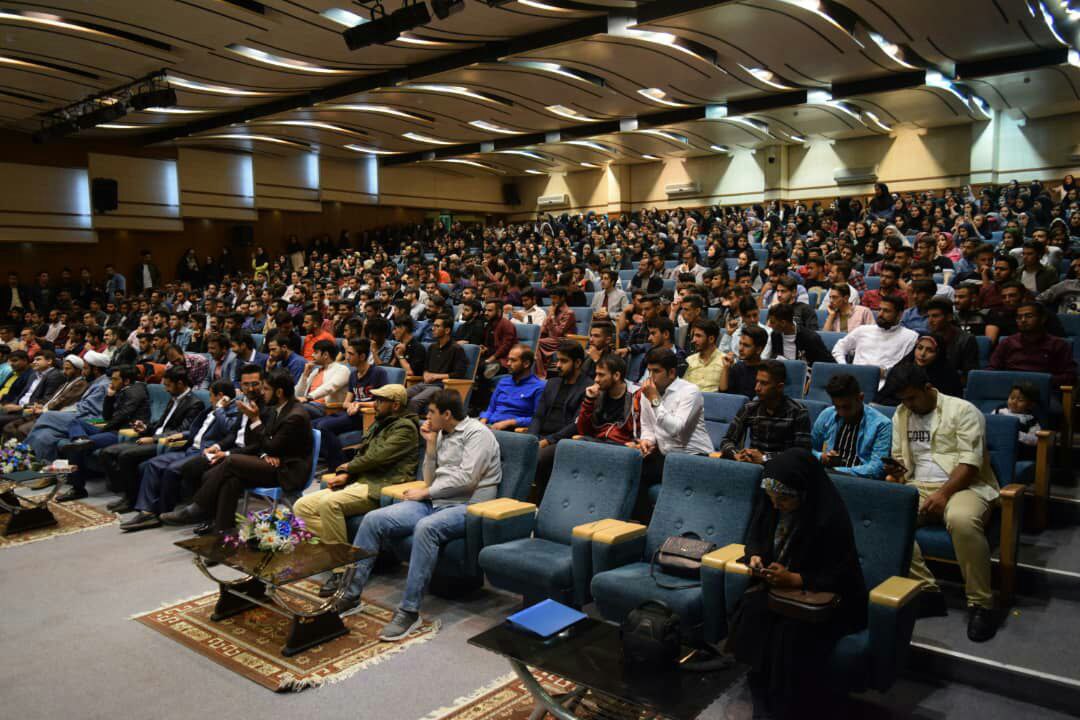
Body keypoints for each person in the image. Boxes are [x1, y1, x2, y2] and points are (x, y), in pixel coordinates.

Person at [334, 390, 502, 641]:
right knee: (373, 520)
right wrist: (431, 446)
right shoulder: (441, 433)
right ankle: (350, 594)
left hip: (469, 506)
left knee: (426, 527)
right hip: (436, 500)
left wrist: (427, 493)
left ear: (446, 414)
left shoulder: (478, 434)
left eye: (432, 412)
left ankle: (409, 611)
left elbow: (468, 480)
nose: (427, 417)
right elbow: (430, 478)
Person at [725, 449, 866, 716]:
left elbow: (842, 574)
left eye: (784, 500)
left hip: (823, 596)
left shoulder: (829, 517)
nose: (776, 505)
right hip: (779, 590)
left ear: (803, 493)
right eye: (772, 498)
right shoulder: (771, 502)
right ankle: (761, 694)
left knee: (786, 634)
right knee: (753, 608)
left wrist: (796, 578)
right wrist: (755, 556)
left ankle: (785, 707)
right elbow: (756, 535)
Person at [886, 364, 1001, 642]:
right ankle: (926, 590)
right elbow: (900, 458)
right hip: (918, 487)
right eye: (903, 400)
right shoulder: (901, 414)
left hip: (965, 486)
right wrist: (896, 476)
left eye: (912, 398)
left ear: (928, 388)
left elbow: (970, 464)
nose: (908, 405)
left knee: (962, 520)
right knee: (885, 518)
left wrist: (942, 494)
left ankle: (981, 604)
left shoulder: (963, 411)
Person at [295, 384, 421, 596]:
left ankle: (341, 569)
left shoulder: (405, 428)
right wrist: (349, 474)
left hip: (384, 485)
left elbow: (378, 457)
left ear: (396, 405)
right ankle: (351, 554)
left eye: (381, 401)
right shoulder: (380, 423)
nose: (375, 404)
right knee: (302, 507)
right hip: (362, 480)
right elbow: (364, 455)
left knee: (329, 503)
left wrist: (347, 467)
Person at [161, 369, 313, 533]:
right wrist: (267, 452)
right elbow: (269, 441)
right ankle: (223, 532)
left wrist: (255, 421)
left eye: (266, 389)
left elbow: (270, 444)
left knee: (231, 461)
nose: (263, 392)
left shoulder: (294, 415)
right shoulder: (281, 407)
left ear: (279, 392)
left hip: (288, 471)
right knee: (231, 479)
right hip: (273, 460)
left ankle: (198, 509)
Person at [120, 380, 239, 532]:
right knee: (153, 463)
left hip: (205, 452)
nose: (209, 399)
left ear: (221, 396)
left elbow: (229, 432)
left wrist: (221, 410)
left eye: (211, 395)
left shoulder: (234, 412)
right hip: (190, 448)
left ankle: (163, 512)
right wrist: (180, 434)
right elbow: (198, 430)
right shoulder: (212, 409)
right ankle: (147, 511)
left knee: (172, 469)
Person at [96, 366, 204, 512]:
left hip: (166, 443)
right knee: (108, 452)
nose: (165, 389)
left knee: (125, 456)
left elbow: (181, 431)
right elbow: (162, 424)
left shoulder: (195, 403)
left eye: (168, 385)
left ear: (180, 383)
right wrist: (145, 428)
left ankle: (131, 499)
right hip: (153, 437)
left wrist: (153, 439)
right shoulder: (174, 399)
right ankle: (128, 496)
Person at [634, 348, 713, 512]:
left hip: (693, 458)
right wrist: (647, 441)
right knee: (631, 468)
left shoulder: (690, 392)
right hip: (666, 456)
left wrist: (655, 400)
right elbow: (648, 427)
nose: (651, 377)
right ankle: (639, 525)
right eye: (649, 371)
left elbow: (676, 429)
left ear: (671, 373)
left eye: (656, 371)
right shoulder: (647, 394)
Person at [313, 337, 389, 469]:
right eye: (347, 353)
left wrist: (359, 405)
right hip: (351, 413)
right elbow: (346, 402)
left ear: (362, 356)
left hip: (367, 417)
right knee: (312, 424)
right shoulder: (353, 375)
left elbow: (383, 402)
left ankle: (339, 466)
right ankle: (334, 461)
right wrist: (351, 405)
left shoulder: (378, 372)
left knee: (324, 426)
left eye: (351, 354)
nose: (347, 357)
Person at [527, 341, 590, 499]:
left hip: (563, 440)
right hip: (540, 437)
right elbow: (538, 416)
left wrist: (548, 441)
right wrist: (532, 438)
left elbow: (576, 424)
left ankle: (538, 501)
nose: (558, 365)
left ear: (577, 363)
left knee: (538, 458)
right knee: (514, 449)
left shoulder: (587, 387)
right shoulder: (552, 383)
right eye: (558, 360)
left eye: (564, 361)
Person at [26, 350, 111, 462]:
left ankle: (23, 452)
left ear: (95, 370)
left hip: (92, 420)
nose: (83, 372)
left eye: (85, 368)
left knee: (48, 416)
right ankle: (45, 469)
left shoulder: (102, 385)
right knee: (43, 435)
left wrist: (64, 412)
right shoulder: (95, 383)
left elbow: (88, 409)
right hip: (80, 415)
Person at [719, 360, 811, 462]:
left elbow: (802, 453)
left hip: (783, 469)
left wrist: (765, 458)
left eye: (764, 383)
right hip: (752, 466)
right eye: (757, 381)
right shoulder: (749, 408)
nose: (757, 388)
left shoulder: (798, 412)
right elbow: (727, 440)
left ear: (779, 387)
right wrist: (736, 455)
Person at [810, 373, 892, 478]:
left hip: (861, 482)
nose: (841, 413)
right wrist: (821, 457)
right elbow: (808, 448)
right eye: (837, 407)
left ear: (861, 398)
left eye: (846, 407)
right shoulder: (827, 414)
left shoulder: (882, 425)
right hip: (827, 477)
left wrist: (835, 471)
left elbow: (877, 468)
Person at [988, 300, 1076, 388]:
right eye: (1019, 317)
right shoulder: (1007, 342)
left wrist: (1041, 380)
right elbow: (991, 369)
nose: (1023, 320)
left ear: (1042, 319)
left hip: (1044, 391)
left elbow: (1070, 376)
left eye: (1029, 316)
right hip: (1011, 390)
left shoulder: (1058, 344)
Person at [831, 295, 918, 384]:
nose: (880, 314)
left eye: (886, 311)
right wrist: (845, 366)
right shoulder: (863, 330)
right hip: (854, 381)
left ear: (899, 314)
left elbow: (906, 368)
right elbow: (839, 348)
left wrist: (886, 373)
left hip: (886, 384)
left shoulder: (910, 337)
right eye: (879, 309)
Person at [2, 355, 87, 442]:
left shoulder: (80, 384)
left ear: (78, 370)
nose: (64, 372)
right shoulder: (66, 382)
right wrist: (39, 406)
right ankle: (8, 453)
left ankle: (24, 453)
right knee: (9, 427)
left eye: (68, 369)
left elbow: (63, 401)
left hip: (53, 415)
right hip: (40, 410)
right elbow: (52, 399)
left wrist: (44, 409)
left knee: (21, 430)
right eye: (64, 368)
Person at [403, 315, 467, 414]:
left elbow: (459, 373)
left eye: (437, 326)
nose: (433, 329)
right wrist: (425, 373)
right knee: (399, 396)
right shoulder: (432, 347)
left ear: (447, 330)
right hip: (425, 383)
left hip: (441, 386)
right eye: (434, 326)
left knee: (415, 401)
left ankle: (411, 427)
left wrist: (436, 376)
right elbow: (426, 367)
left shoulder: (457, 349)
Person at [877, 335, 964, 405]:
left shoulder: (948, 376)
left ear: (938, 354)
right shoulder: (901, 369)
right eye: (919, 348)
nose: (922, 354)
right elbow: (882, 398)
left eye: (930, 350)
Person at [576, 353, 639, 445]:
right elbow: (583, 431)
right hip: (598, 442)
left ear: (616, 376)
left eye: (601, 375)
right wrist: (589, 400)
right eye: (596, 374)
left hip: (623, 446)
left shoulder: (635, 394)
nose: (596, 379)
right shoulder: (597, 394)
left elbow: (642, 430)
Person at [479, 345, 545, 430]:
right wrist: (483, 422)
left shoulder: (538, 387)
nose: (508, 363)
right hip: (490, 425)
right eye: (508, 359)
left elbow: (537, 419)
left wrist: (510, 422)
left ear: (526, 364)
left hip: (511, 429)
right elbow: (490, 409)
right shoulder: (503, 382)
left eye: (513, 360)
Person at [295, 338, 350, 418]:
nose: (312, 355)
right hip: (308, 404)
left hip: (325, 408)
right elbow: (298, 394)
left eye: (316, 352)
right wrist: (305, 375)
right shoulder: (315, 371)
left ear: (325, 355)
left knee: (296, 408)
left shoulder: (342, 370)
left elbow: (330, 387)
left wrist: (308, 397)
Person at [767, 303, 832, 366]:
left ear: (783, 323)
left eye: (772, 322)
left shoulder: (810, 338)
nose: (769, 325)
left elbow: (828, 364)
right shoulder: (775, 335)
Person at [991, 382, 1041, 460]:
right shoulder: (999, 411)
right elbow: (988, 423)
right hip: (993, 444)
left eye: (1020, 400)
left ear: (1030, 405)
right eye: (1012, 397)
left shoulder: (1031, 420)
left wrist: (1015, 434)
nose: (1014, 402)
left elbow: (1035, 440)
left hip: (1013, 450)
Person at [535, 287, 577, 378]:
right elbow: (543, 330)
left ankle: (540, 375)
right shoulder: (553, 310)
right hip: (551, 340)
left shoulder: (569, 313)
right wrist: (548, 317)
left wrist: (553, 316)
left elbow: (558, 333)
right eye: (551, 298)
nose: (552, 301)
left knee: (537, 343)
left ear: (562, 298)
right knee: (536, 341)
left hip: (563, 340)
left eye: (555, 298)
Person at [683, 319, 729, 392]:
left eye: (698, 336)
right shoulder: (689, 360)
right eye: (693, 336)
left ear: (711, 339)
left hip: (713, 402)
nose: (693, 340)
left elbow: (725, 391)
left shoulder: (725, 361)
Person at [727, 325, 768, 398]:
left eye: (746, 345)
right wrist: (725, 368)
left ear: (758, 349)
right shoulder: (736, 368)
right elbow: (726, 396)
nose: (740, 349)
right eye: (740, 343)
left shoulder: (765, 372)